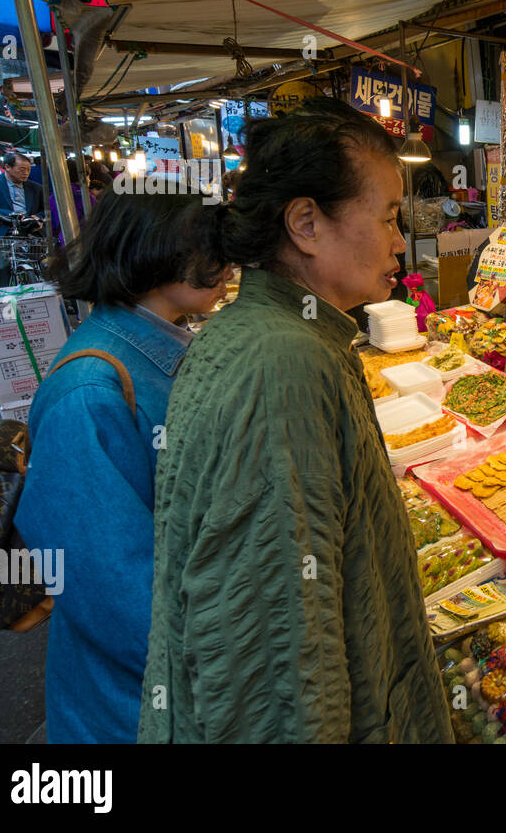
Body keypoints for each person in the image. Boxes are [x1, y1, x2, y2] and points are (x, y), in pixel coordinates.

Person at [139, 97, 452, 743]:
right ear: (306, 222)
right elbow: (275, 663)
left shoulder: (279, 333)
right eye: (389, 217)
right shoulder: (283, 362)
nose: (400, 241)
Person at [13, 191, 230, 743]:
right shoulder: (88, 393)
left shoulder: (161, 345)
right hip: (136, 712)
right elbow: (117, 593)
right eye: (215, 248)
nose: (230, 265)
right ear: (160, 252)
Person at [0, 152, 45, 254]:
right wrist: (12, 215)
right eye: (22, 169)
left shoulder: (36, 188)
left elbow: (45, 210)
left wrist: (38, 217)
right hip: (2, 231)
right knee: (2, 266)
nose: (26, 173)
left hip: (31, 232)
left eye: (28, 169)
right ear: (7, 167)